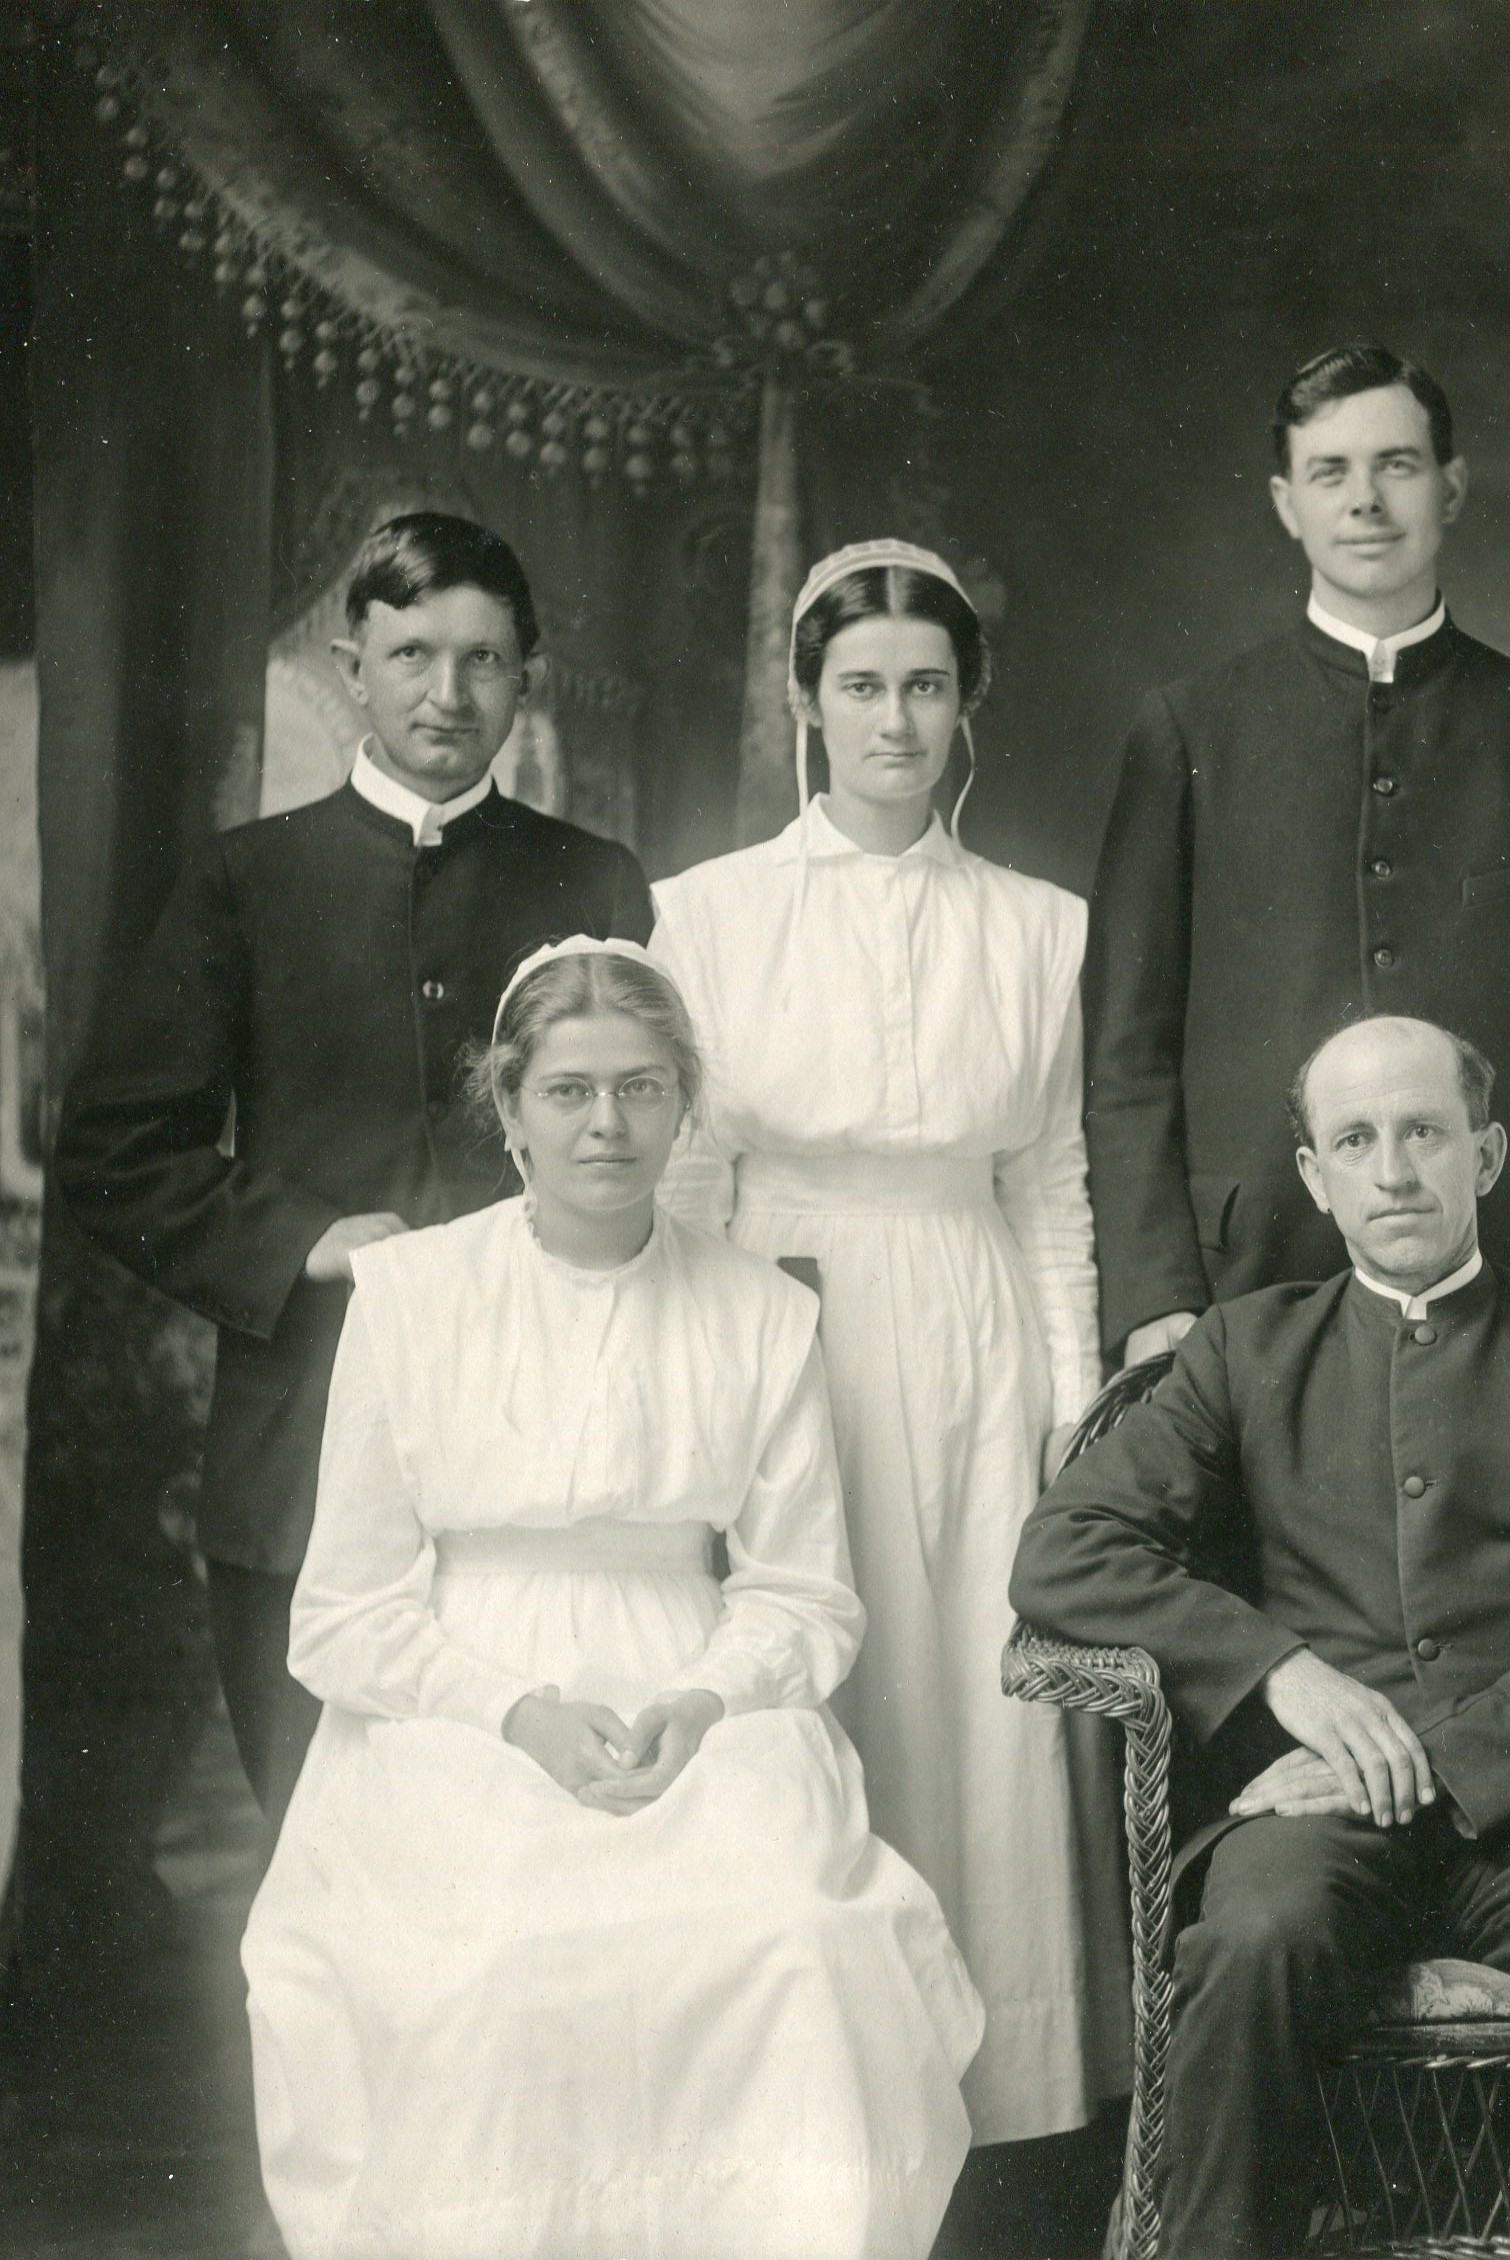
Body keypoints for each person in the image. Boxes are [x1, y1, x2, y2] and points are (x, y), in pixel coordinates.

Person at [240, 937, 982, 2260]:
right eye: (570, 1091)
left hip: (697, 1696)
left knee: (795, 1944)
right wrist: (515, 1713)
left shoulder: (758, 1310)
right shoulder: (412, 1298)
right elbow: (344, 1613)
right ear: (509, 1110)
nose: (607, 1124)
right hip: (456, 1709)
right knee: (499, 1959)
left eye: (641, 1089)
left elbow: (804, 1596)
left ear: (684, 1105)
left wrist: (703, 1704)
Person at [1012, 1014, 1510, 2260]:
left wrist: (1433, 1759)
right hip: (1315, 1817)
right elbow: (1064, 1549)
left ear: (1488, 1154)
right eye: (1356, 1139)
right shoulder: (1246, 1350)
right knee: (1252, 1936)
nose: (1393, 1169)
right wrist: (1277, 1673)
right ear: (1314, 1177)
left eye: (1423, 1133)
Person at [54, 512, 651, 1825]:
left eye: (485, 660)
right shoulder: (248, 880)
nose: (449, 693)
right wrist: (311, 1240)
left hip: (547, 1451)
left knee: (536, 1864)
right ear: (351, 664)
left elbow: (663, 1146)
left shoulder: (593, 879)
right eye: (414, 654)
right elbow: (111, 1155)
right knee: (329, 1873)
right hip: (303, 1461)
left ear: (526, 679)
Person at [648, 540, 1111, 2168]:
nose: (894, 720)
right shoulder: (702, 918)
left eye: (925, 685)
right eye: (861, 686)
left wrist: (1071, 1393)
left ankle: (995, 2102)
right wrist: (701, 1403)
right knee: (824, 1691)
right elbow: (691, 1180)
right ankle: (821, 2099)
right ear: (807, 699)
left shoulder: (1041, 928)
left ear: (965, 703)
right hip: (790, 1318)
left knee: (978, 1697)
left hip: (976, 1319)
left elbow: (1049, 1176)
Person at [1084, 342, 1510, 1371]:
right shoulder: (1190, 731)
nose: (1366, 501)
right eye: (1331, 472)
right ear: (1287, 503)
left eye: (1398, 465)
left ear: (1452, 487)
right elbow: (1125, 1059)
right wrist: (1156, 1291)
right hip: (1244, 1278)